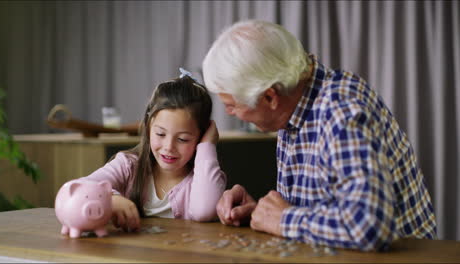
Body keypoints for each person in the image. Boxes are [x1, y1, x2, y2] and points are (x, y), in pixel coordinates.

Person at [202, 20, 436, 251]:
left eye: (231, 105)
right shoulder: (295, 102)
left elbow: (369, 225)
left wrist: (283, 219)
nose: (228, 112)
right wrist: (261, 213)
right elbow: (324, 207)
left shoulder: (341, 110)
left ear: (270, 97)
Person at [83, 69, 227, 232]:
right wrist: (110, 198)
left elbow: (205, 211)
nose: (168, 147)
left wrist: (207, 146)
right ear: (148, 127)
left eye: (182, 139)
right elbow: (80, 187)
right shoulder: (128, 166)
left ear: (201, 137)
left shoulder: (203, 177)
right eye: (160, 134)